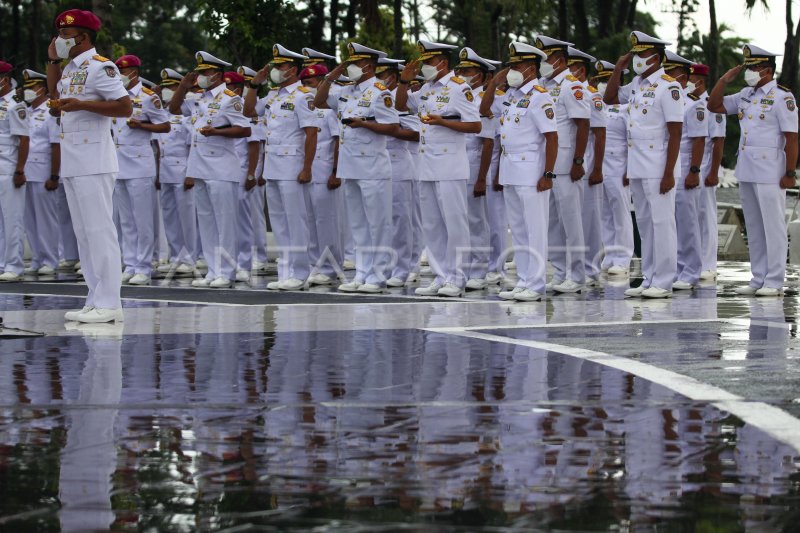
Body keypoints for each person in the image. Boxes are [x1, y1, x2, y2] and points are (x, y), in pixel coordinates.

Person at [46, 8, 132, 322]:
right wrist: (54, 62)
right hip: (73, 159)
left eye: (65, 35)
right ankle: (95, 298)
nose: (59, 39)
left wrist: (83, 104)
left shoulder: (101, 67)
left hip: (94, 160)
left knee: (99, 231)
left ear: (82, 37)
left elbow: (124, 107)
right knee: (84, 234)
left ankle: (110, 303)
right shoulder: (70, 69)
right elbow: (56, 100)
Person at [708, 44, 798, 296]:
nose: (750, 71)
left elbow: (791, 138)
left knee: (773, 225)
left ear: (767, 70)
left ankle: (775, 280)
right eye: (749, 66)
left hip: (771, 169)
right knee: (755, 226)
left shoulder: (783, 97)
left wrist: (790, 172)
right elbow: (714, 106)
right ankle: (758, 277)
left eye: (755, 67)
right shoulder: (746, 94)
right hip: (747, 167)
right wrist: (725, 80)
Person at [396, 40, 482, 298]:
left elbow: (475, 126)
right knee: (432, 224)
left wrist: (443, 122)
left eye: (428, 62)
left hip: (450, 165)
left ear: (442, 63)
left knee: (454, 224)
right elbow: (401, 106)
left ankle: (457, 277)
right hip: (427, 165)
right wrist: (403, 81)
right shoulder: (425, 89)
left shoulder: (458, 88)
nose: (424, 66)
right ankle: (440, 275)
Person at [313, 42, 400, 294]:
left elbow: (392, 126)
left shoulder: (379, 91)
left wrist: (365, 125)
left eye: (354, 63)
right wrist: (330, 77)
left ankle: (379, 274)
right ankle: (362, 272)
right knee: (358, 224)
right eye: (348, 63)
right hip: (350, 164)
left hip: (373, 165)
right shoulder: (346, 91)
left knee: (377, 223)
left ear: (368, 66)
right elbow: (319, 102)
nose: (350, 68)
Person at [603, 31, 684, 299]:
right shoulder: (637, 84)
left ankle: (664, 281)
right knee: (646, 224)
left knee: (662, 223)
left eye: (641, 54)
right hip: (637, 162)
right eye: (635, 54)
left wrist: (669, 172)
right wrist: (619, 68)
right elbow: (610, 97)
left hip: (659, 163)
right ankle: (649, 278)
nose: (637, 59)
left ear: (656, 58)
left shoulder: (669, 87)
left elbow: (675, 132)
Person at [480, 42, 558, 302]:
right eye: (510, 65)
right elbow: (484, 109)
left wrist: (548, 174)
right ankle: (523, 280)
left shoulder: (539, 96)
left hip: (531, 169)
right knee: (519, 229)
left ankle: (535, 284)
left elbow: (551, 137)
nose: (512, 70)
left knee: (535, 229)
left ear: (531, 68)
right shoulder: (512, 96)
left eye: (517, 66)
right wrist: (495, 82)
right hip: (510, 169)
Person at [168, 50, 252, 289]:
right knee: (206, 221)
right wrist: (183, 87)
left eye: (205, 73)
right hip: (200, 166)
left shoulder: (229, 98)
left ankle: (227, 271)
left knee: (224, 223)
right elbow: (173, 109)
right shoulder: (198, 98)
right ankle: (213, 270)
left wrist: (217, 132)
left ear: (216, 74)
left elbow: (244, 130)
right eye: (200, 72)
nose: (201, 76)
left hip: (222, 168)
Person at [244, 44, 316, 291]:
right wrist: (255, 85)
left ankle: (300, 272)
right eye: (275, 66)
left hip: (292, 164)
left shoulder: (304, 96)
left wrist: (307, 167)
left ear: (293, 69)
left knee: (296, 220)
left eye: (281, 66)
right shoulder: (273, 95)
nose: (276, 70)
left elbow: (311, 134)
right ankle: (286, 272)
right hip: (273, 165)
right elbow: (248, 110)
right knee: (278, 221)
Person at [535, 35, 591, 294]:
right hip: (546, 161)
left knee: (572, 220)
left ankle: (578, 275)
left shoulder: (572, 86)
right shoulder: (540, 85)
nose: (542, 63)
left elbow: (583, 124)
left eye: (545, 58)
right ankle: (559, 272)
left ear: (559, 60)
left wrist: (579, 160)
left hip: (567, 162)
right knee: (553, 221)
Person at [112, 54, 170, 286]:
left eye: (122, 72)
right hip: (119, 162)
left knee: (142, 219)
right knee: (125, 219)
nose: (119, 77)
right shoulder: (115, 96)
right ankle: (131, 263)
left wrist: (142, 125)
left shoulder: (148, 98)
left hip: (139, 162)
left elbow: (165, 125)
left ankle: (144, 266)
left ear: (134, 73)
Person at [298, 62, 346, 286]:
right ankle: (315, 264)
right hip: (309, 171)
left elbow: (337, 140)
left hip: (326, 169)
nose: (306, 87)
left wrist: (336, 171)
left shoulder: (327, 108)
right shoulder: (306, 106)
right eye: (303, 84)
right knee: (310, 220)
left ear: (320, 82)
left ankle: (330, 267)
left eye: (309, 83)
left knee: (327, 222)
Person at [375, 56, 421, 288]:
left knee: (403, 220)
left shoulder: (399, 100)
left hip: (400, 163)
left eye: (379, 75)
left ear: (391, 78)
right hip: (377, 164)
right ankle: (388, 265)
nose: (374, 80)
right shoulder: (373, 98)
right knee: (384, 220)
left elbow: (415, 133)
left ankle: (407, 267)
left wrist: (383, 129)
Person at [663, 50, 706, 291]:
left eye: (669, 72)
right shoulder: (669, 98)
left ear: (681, 76)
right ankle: (675, 270)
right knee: (670, 221)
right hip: (668, 164)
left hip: (687, 163)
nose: (665, 76)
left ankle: (690, 272)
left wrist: (694, 170)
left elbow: (699, 139)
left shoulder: (694, 104)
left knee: (687, 222)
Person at [455, 47, 497, 291]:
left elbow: (488, 141)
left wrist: (482, 178)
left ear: (480, 75)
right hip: (456, 165)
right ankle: (463, 268)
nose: (463, 74)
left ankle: (480, 270)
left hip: (474, 165)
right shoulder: (458, 94)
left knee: (476, 220)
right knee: (460, 221)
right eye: (460, 70)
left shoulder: (485, 100)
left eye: (468, 71)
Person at [567, 46, 606, 285]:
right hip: (565, 163)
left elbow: (600, 134)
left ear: (580, 70)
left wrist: (598, 168)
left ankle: (591, 269)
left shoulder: (592, 95)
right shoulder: (564, 91)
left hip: (587, 164)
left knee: (590, 220)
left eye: (570, 67)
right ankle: (571, 269)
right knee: (571, 220)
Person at [592, 60, 634, 276]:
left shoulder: (626, 107)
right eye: (599, 80)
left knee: (620, 211)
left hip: (619, 163)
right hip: (599, 164)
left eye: (606, 80)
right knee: (605, 213)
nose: (602, 84)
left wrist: (629, 168)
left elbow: (631, 138)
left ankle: (623, 258)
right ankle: (609, 255)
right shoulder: (596, 103)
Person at [155, 67, 197, 277]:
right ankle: (175, 256)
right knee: (170, 215)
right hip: (165, 170)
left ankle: (190, 257)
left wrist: (191, 173)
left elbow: (192, 146)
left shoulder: (186, 113)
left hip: (183, 170)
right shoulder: (162, 112)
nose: (166, 91)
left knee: (187, 217)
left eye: (170, 87)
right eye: (164, 88)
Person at [223, 70, 264, 283]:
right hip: (225, 170)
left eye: (229, 87)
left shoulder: (243, 111)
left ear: (238, 90)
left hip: (241, 171)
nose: (225, 90)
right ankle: (229, 264)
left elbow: (254, 145)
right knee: (227, 219)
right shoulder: (223, 106)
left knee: (242, 220)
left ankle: (245, 264)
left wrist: (251, 174)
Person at [21, 69, 60, 276]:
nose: (28, 91)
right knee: (30, 219)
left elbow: (56, 146)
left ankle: (50, 260)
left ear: (42, 89)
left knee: (46, 219)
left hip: (44, 172)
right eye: (26, 88)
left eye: (32, 87)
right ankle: (37, 258)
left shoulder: (50, 112)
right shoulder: (25, 111)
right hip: (27, 171)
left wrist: (54, 175)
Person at [691, 64, 726, 280]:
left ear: (700, 81)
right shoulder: (685, 103)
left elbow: (718, 141)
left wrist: (713, 172)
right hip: (687, 169)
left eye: (689, 78)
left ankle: (708, 264)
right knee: (688, 217)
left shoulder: (711, 106)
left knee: (706, 216)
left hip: (705, 169)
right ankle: (692, 263)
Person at [237, 65, 269, 274]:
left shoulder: (258, 107)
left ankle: (260, 255)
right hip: (238, 166)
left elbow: (260, 143)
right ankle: (245, 254)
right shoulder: (238, 106)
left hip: (256, 168)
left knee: (255, 214)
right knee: (243, 215)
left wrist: (259, 172)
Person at [0, 60, 29, 283]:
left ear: (6, 80)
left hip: (9, 168)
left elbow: (24, 139)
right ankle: (2, 262)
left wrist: (20, 170)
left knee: (12, 219)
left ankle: (14, 265)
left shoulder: (15, 105)